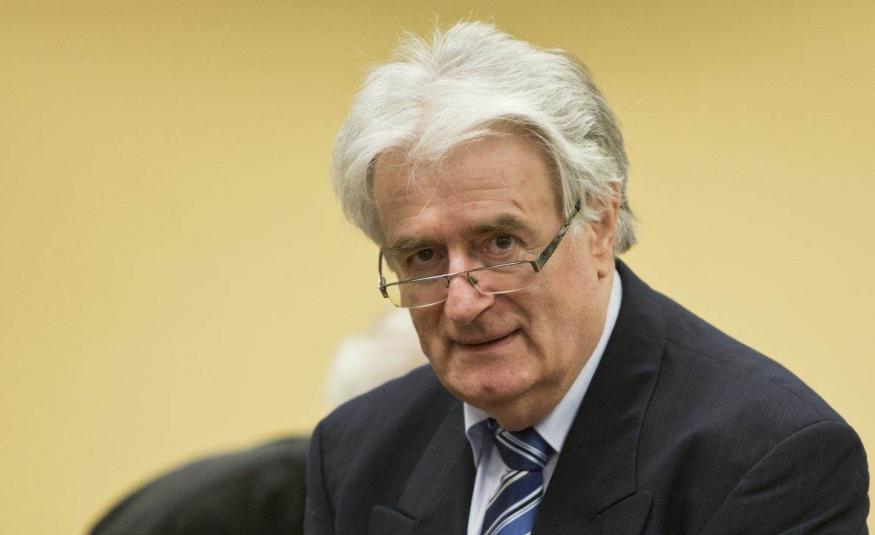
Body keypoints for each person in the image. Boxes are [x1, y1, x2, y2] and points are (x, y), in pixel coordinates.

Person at [305, 21, 869, 534]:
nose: (462, 304)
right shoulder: (353, 454)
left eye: (500, 244)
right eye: (424, 256)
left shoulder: (769, 457)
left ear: (599, 223)